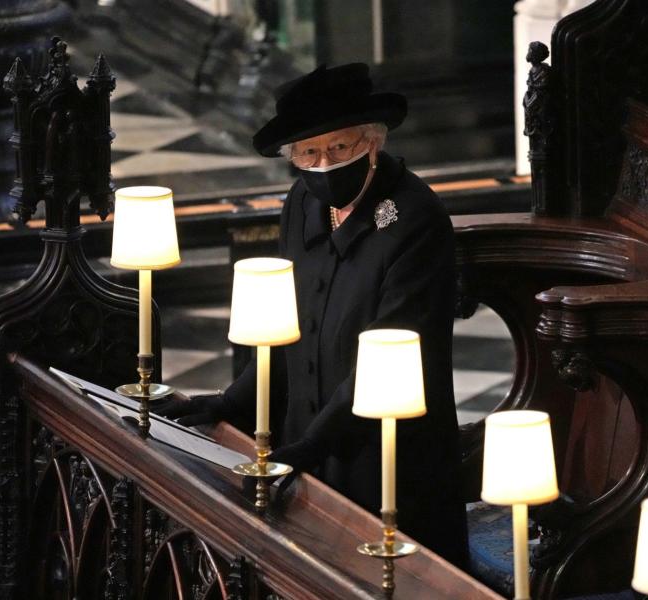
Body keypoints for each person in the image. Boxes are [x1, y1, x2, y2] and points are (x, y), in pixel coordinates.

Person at [161, 63, 469, 566]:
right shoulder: (302, 201)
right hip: (303, 440)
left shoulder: (414, 218)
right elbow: (287, 327)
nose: (323, 163)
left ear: (372, 142)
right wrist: (230, 401)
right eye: (308, 152)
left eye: (339, 148)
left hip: (383, 452)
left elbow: (392, 348)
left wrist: (313, 446)